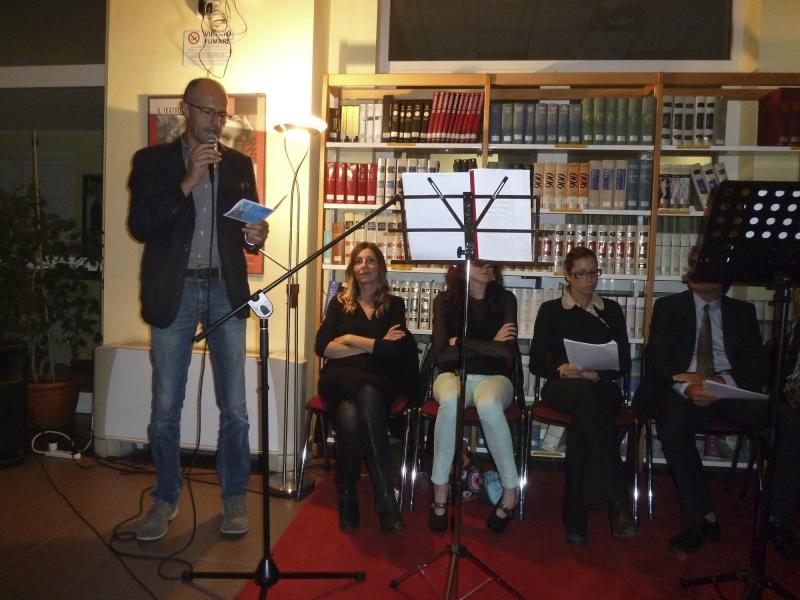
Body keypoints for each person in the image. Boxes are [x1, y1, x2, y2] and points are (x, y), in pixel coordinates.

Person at [127, 78, 269, 542]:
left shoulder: (239, 165)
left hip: (226, 288)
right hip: (176, 290)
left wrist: (255, 237)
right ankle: (165, 498)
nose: (216, 121)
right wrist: (187, 181)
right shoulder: (151, 162)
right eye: (208, 111)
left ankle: (234, 497)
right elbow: (140, 225)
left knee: (236, 407)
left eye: (221, 114)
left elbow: (247, 232)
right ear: (185, 109)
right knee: (166, 406)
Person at [644, 250, 800, 561]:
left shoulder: (742, 311)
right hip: (684, 390)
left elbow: (757, 368)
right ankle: (701, 516)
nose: (694, 270)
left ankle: (777, 519)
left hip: (729, 390)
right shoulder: (668, 307)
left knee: (790, 423)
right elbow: (657, 360)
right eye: (692, 265)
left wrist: (719, 382)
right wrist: (689, 386)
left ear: (723, 277)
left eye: (703, 266)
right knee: (672, 426)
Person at [529, 247, 638, 545]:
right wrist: (560, 369)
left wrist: (597, 373)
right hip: (563, 385)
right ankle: (617, 502)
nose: (589, 279)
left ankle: (575, 517)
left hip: (600, 386)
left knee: (586, 413)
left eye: (594, 272)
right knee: (588, 402)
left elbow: (624, 363)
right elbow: (537, 363)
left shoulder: (611, 310)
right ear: (567, 276)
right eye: (581, 274)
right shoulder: (551, 310)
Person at [314, 242, 419, 534]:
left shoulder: (394, 305)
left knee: (350, 414)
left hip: (376, 381)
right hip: (340, 379)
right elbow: (323, 347)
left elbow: (394, 351)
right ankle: (385, 502)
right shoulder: (339, 303)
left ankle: (349, 497)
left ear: (380, 268)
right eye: (358, 261)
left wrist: (349, 339)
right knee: (367, 392)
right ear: (352, 269)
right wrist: (374, 346)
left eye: (370, 260)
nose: (364, 266)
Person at [429, 260, 520, 534]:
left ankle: (510, 492)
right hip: (452, 375)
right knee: (451, 401)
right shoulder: (444, 302)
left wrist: (460, 342)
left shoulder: (506, 299)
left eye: (490, 261)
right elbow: (441, 355)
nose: (486, 265)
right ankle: (440, 487)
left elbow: (506, 353)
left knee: (489, 404)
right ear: (462, 265)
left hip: (496, 378)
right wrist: (490, 344)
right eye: (479, 261)